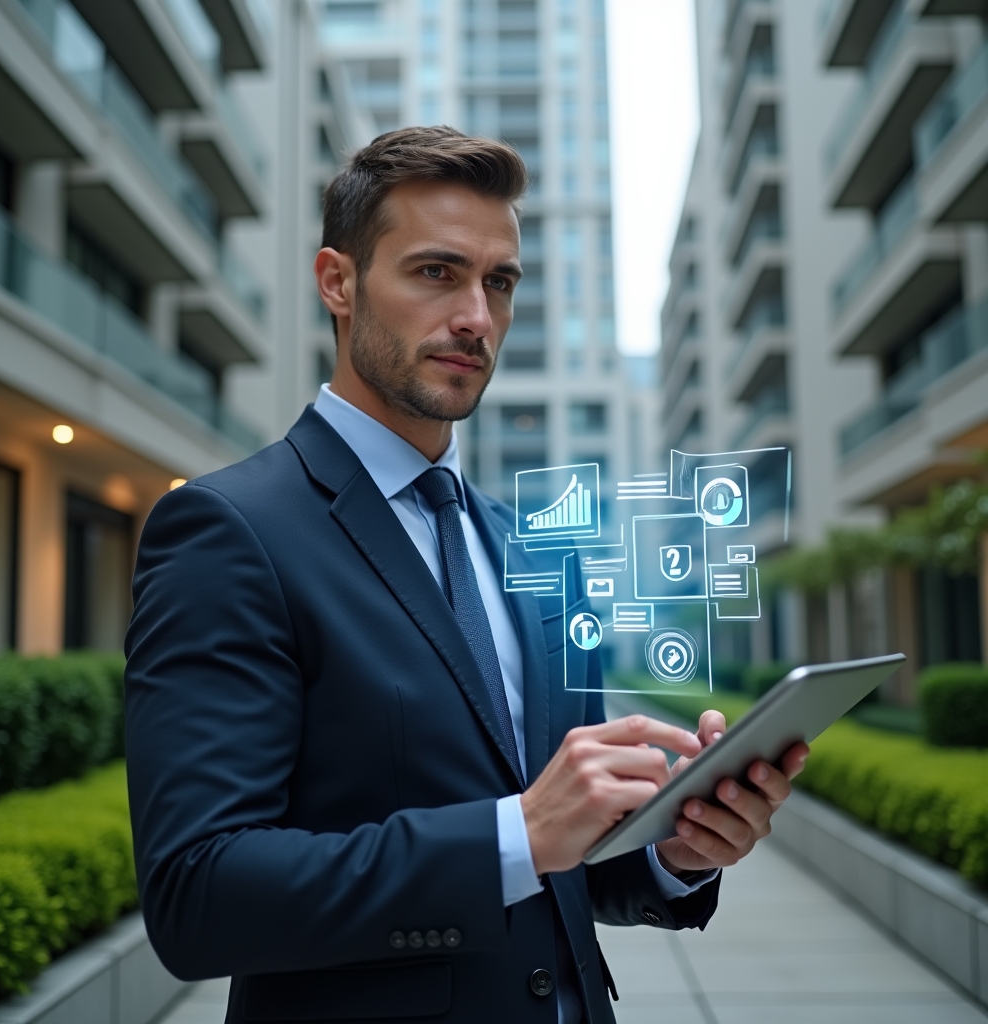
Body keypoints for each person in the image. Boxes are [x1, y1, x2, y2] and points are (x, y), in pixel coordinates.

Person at [125, 126, 809, 1024]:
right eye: (436, 272)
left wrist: (675, 850)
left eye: (500, 282)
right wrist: (516, 833)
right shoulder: (228, 530)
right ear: (337, 281)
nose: (477, 318)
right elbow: (198, 895)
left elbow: (562, 858)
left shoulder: (531, 551)